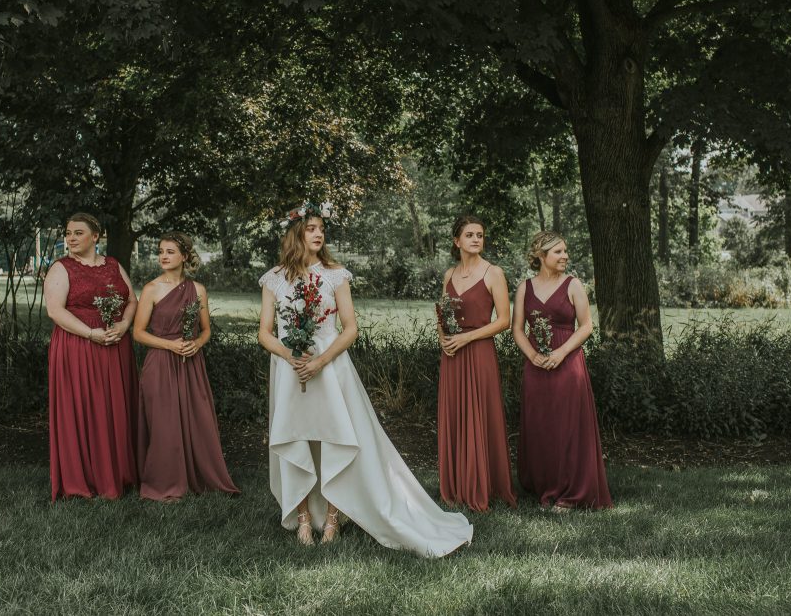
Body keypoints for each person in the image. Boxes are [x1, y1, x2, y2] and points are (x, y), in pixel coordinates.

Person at [258, 200, 472, 556]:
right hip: (290, 369)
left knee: (336, 437)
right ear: (296, 233)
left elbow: (350, 328)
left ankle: (332, 518)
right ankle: (303, 518)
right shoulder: (274, 278)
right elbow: (265, 332)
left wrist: (321, 361)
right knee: (297, 438)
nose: (318, 234)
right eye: (311, 229)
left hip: (330, 368)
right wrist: (289, 355)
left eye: (321, 229)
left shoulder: (335, 275)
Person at [131, 232, 239, 501]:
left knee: (197, 421)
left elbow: (206, 330)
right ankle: (164, 483)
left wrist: (196, 344)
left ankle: (198, 477)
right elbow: (138, 333)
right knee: (164, 424)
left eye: (169, 252)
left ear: (184, 256)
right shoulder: (151, 289)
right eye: (160, 251)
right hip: (160, 362)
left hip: (190, 363)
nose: (163, 256)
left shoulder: (198, 290)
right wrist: (170, 345)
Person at [511, 231, 612, 511]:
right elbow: (517, 329)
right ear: (541, 256)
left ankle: (571, 492)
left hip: (568, 363)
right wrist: (533, 355)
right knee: (540, 426)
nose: (565, 256)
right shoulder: (525, 288)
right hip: (536, 366)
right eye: (558, 252)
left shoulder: (573, 284)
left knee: (568, 427)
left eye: (565, 251)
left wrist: (560, 353)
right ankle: (546, 487)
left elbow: (586, 326)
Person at [44, 213, 139, 500]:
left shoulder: (113, 264)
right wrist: (90, 333)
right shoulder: (61, 268)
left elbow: (131, 300)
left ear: (95, 236)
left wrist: (124, 324)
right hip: (78, 346)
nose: (71, 238)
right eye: (68, 233)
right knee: (84, 407)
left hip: (115, 344)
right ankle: (83, 478)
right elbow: (55, 311)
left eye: (78, 233)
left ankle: (118, 474)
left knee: (113, 408)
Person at [437, 215, 517, 511]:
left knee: (481, 414)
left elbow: (504, 321)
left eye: (479, 235)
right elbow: (442, 312)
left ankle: (483, 484)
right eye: (469, 235)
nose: (475, 239)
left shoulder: (493, 273)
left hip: (479, 352)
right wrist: (444, 339)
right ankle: (457, 484)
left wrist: (467, 338)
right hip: (452, 356)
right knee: (456, 414)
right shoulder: (449, 274)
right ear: (456, 241)